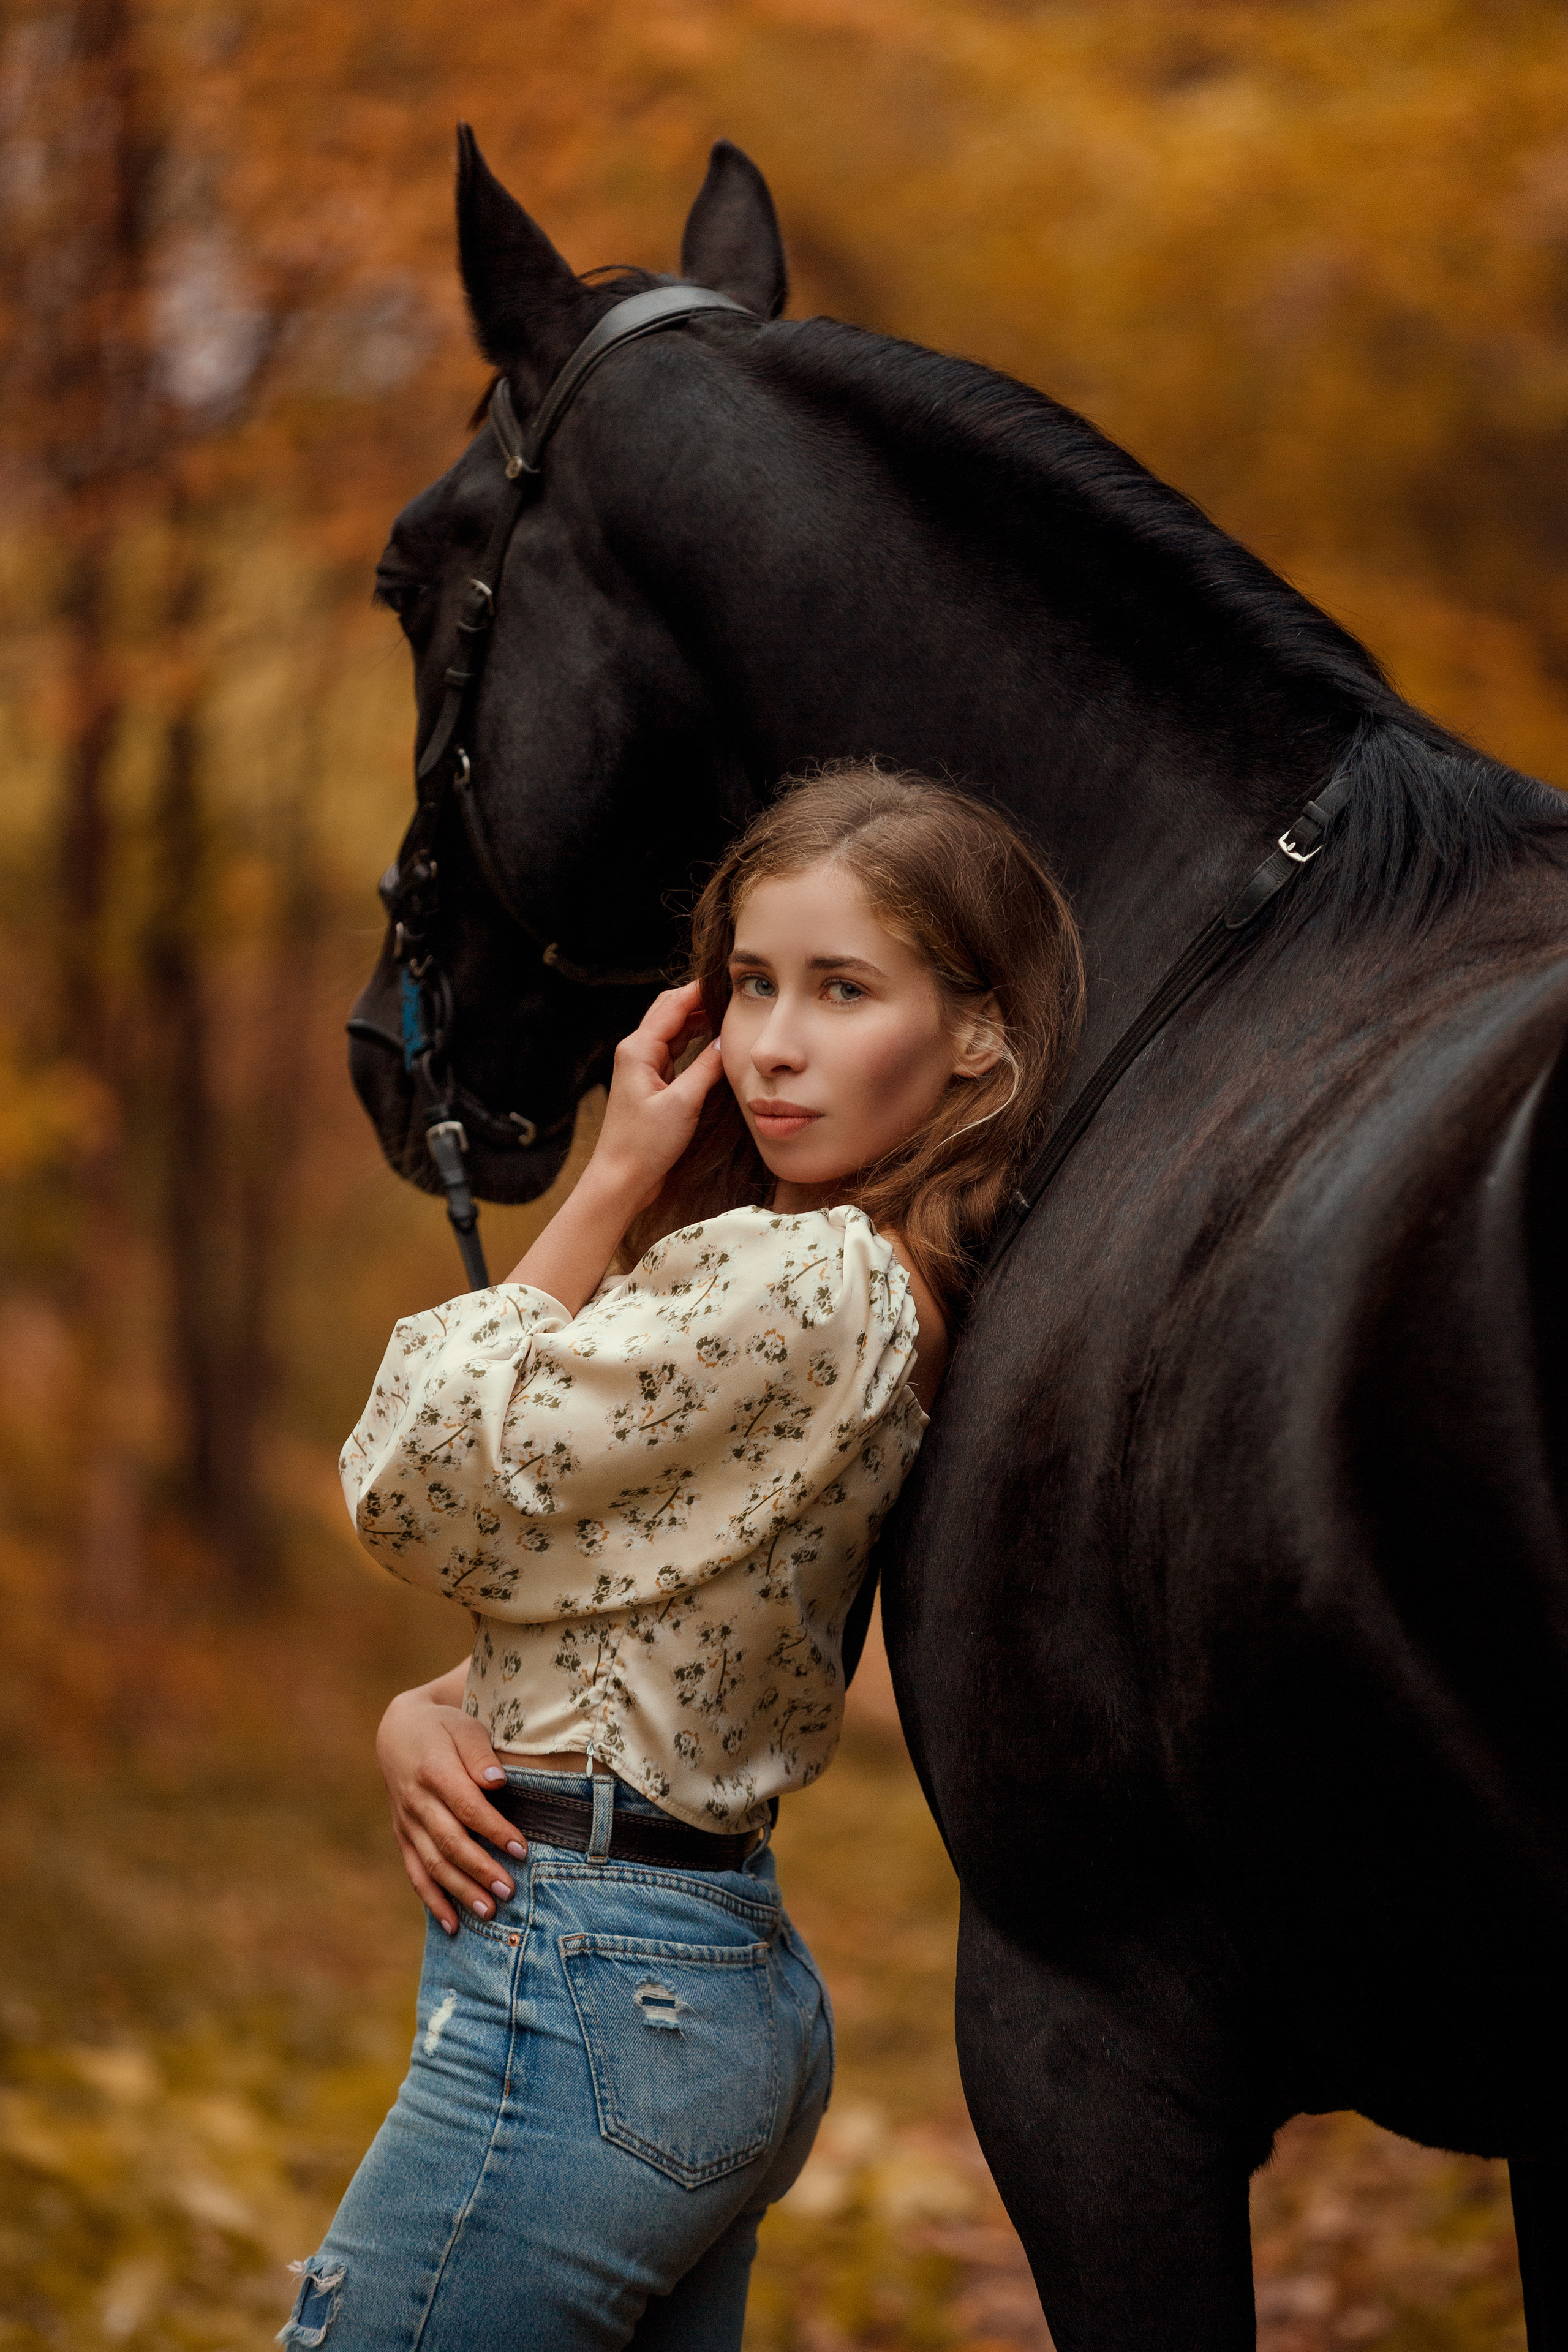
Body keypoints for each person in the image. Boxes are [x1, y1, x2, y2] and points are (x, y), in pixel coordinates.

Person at [280, 763, 1083, 2352]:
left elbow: (410, 1477)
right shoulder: (892, 1283)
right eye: (754, 985)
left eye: (842, 989)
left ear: (981, 1035)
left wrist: (612, 1177)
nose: (773, 1044)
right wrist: (428, 1710)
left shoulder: (799, 1281)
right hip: (690, 1970)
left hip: (590, 1980)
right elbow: (656, 1589)